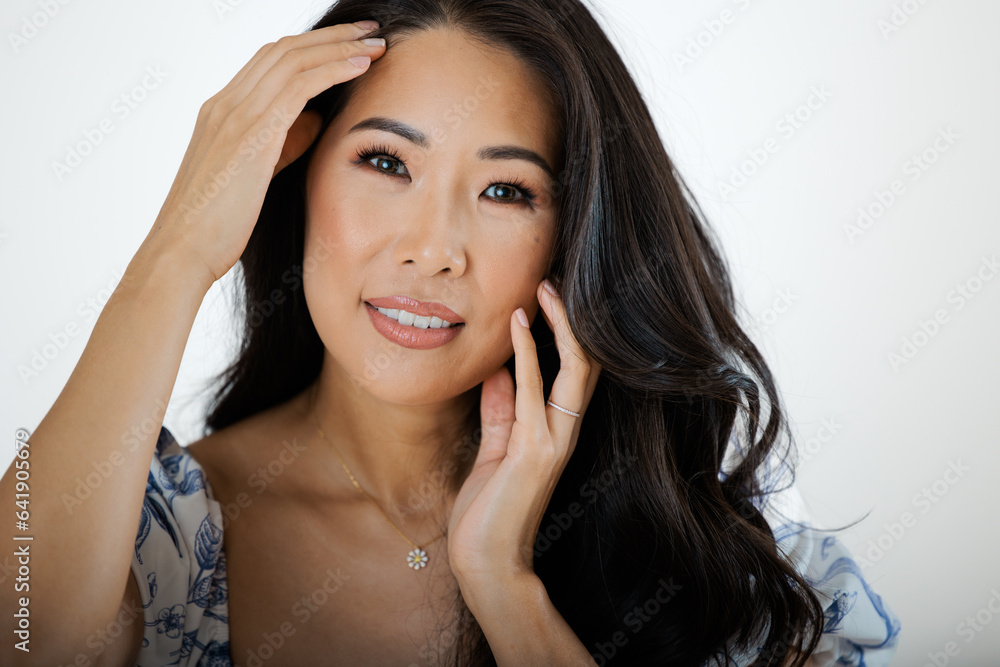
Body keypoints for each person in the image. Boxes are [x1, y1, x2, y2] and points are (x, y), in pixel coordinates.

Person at [0, 0, 902, 665]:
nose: (432, 250)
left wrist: (508, 592)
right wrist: (181, 246)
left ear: (573, 237)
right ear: (297, 178)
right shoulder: (150, 531)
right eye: (386, 162)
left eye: (506, 190)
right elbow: (24, 633)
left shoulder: (727, 571)